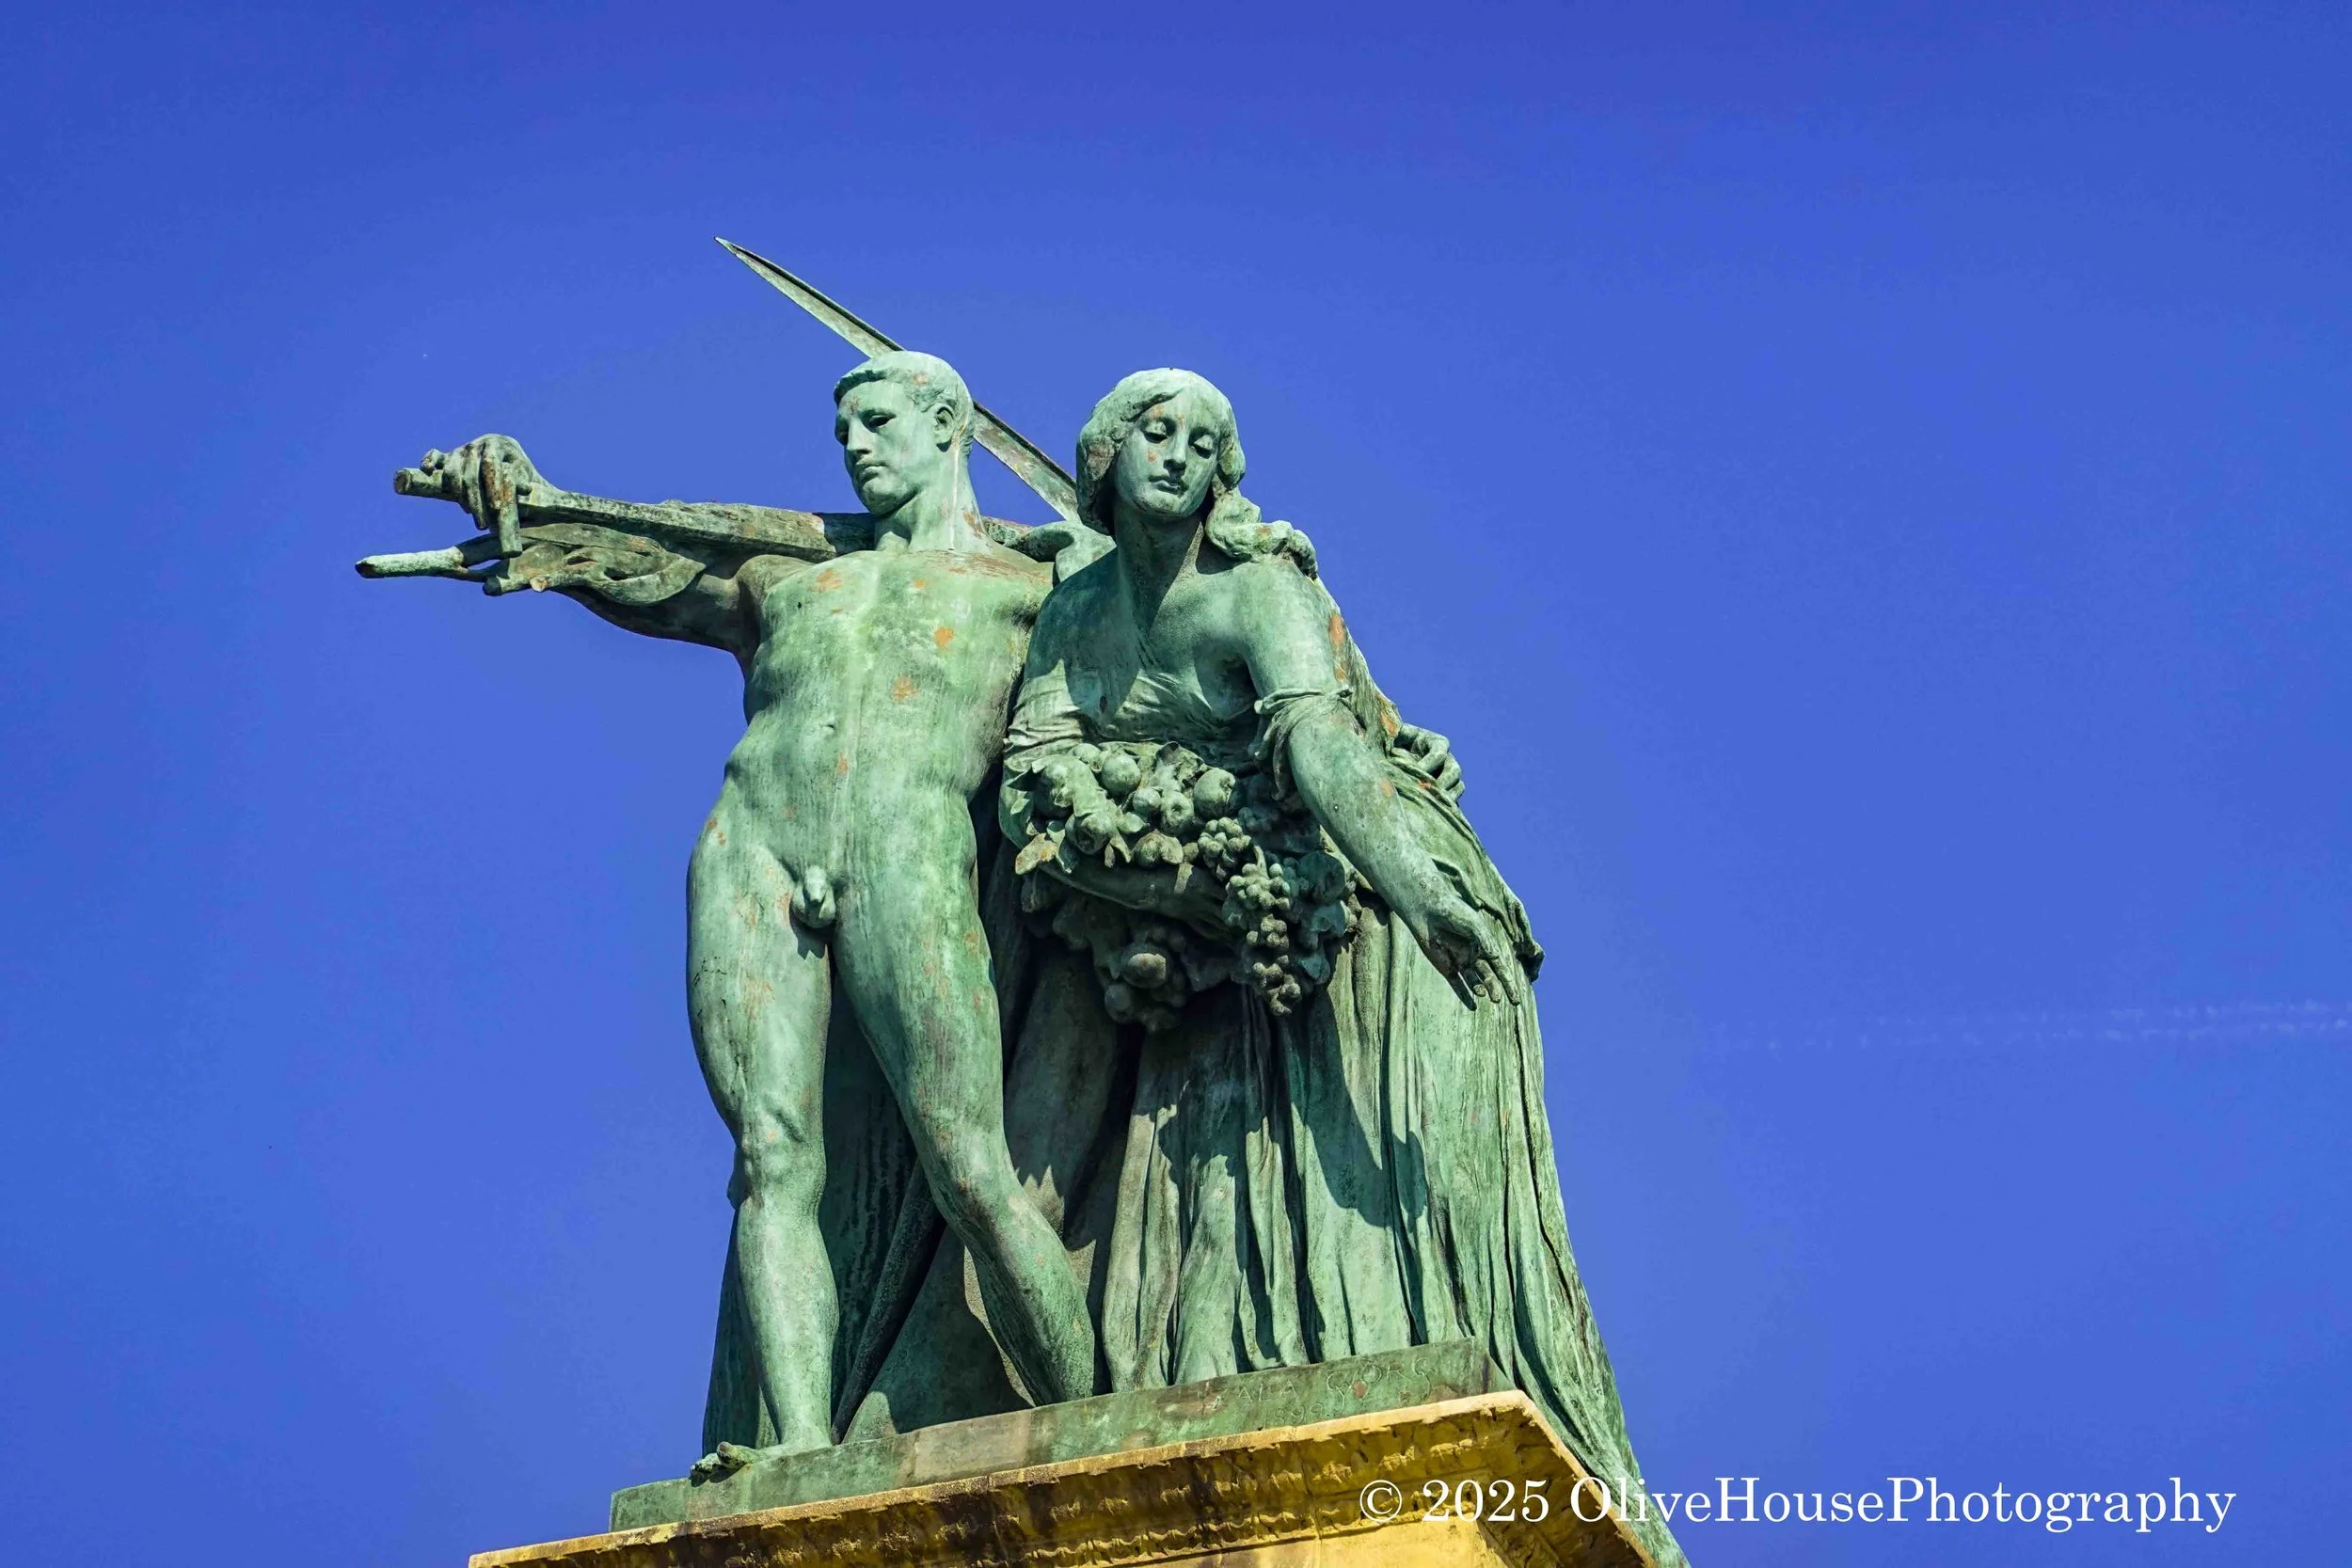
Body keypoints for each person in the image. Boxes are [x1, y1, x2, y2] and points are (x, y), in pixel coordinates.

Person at [1000, 369, 1686, 1567]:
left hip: (1355, 921)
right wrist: (1148, 878)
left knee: (1361, 1199)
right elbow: (1036, 774)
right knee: (1214, 1213)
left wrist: (1421, 888)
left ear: (1225, 476)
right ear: (1105, 454)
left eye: (1205, 442)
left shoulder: (1254, 592)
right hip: (1208, 951)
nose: (1178, 456)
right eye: (1155, 433)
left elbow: (1318, 743)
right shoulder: (1070, 617)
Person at [420, 351, 1095, 1458]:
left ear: (948, 422)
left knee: (969, 1161)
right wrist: (526, 498)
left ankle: (1094, 1419)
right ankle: (794, 1444)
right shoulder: (787, 577)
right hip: (753, 846)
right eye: (844, 436)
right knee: (771, 1161)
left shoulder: (1040, 586)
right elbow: (633, 556)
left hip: (906, 845)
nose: (858, 447)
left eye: (878, 423)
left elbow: (1181, 622)